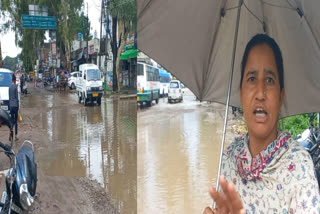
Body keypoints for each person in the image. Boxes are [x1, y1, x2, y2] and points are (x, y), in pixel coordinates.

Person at [204, 34, 320, 213]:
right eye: (251, 79)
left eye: (269, 80)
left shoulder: (299, 167)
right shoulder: (228, 159)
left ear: (281, 96)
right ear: (241, 92)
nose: (260, 93)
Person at [9, 74, 19, 141]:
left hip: (11, 106)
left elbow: (9, 98)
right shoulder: (15, 87)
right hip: (15, 105)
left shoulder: (9, 87)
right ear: (15, 80)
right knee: (16, 121)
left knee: (12, 121)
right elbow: (17, 97)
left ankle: (10, 131)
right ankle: (15, 136)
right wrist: (18, 106)